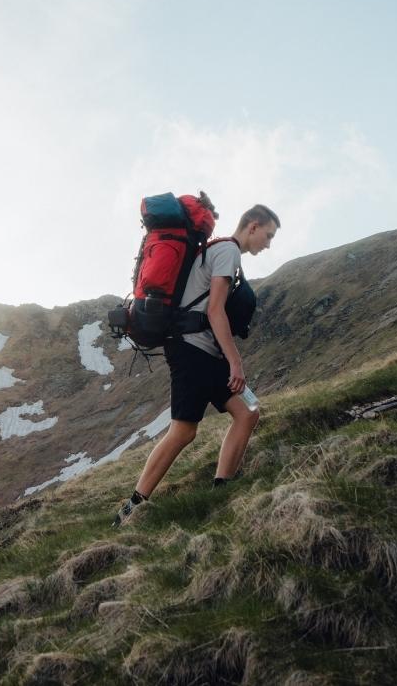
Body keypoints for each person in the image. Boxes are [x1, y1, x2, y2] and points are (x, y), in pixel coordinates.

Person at [114, 203, 280, 526]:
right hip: (191, 351)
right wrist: (236, 363)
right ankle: (131, 508)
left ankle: (221, 490)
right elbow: (216, 311)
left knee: (248, 412)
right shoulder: (228, 253)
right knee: (184, 431)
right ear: (253, 226)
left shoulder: (224, 254)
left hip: (206, 354)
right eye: (268, 236)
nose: (269, 244)